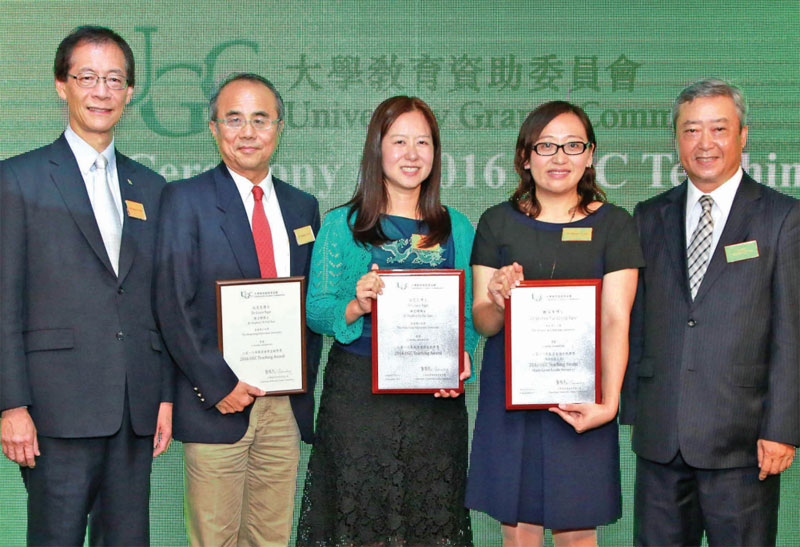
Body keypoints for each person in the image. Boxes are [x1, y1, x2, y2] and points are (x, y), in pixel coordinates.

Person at [0, 26, 173, 545]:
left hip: (133, 409)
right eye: (88, 77)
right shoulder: (16, 180)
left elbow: (155, 301)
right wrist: (11, 405)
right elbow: (3, 300)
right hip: (54, 409)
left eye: (114, 79)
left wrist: (163, 396)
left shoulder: (151, 186)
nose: (102, 91)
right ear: (62, 85)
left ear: (130, 91)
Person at [620, 78, 799, 546]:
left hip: (742, 442)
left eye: (718, 129)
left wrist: (782, 429)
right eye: (691, 130)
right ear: (677, 140)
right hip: (661, 439)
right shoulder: (648, 215)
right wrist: (633, 408)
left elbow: (792, 333)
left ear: (742, 135)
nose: (705, 144)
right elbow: (637, 321)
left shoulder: (782, 218)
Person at [295, 95, 479, 546]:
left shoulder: (458, 226)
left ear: (436, 153)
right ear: (377, 148)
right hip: (358, 396)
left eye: (423, 142)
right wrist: (355, 304)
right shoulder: (342, 224)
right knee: (359, 523)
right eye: (399, 141)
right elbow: (316, 310)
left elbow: (469, 314)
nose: (412, 154)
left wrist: (464, 357)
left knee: (429, 520)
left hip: (434, 400)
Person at [153, 72, 322, 546]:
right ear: (213, 129)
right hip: (219, 404)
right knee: (216, 539)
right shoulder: (185, 200)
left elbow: (308, 305)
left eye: (260, 119)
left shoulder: (301, 207)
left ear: (279, 128)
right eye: (234, 119)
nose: (248, 132)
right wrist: (218, 385)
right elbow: (172, 302)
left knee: (271, 537)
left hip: (284, 407)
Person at [465, 101, 642, 547]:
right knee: (518, 529)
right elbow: (483, 322)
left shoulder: (615, 225)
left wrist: (609, 402)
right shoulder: (497, 222)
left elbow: (616, 319)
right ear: (526, 156)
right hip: (512, 398)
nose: (559, 157)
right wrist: (498, 297)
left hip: (582, 400)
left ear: (590, 155)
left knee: (578, 530)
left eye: (572, 145)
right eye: (546, 146)